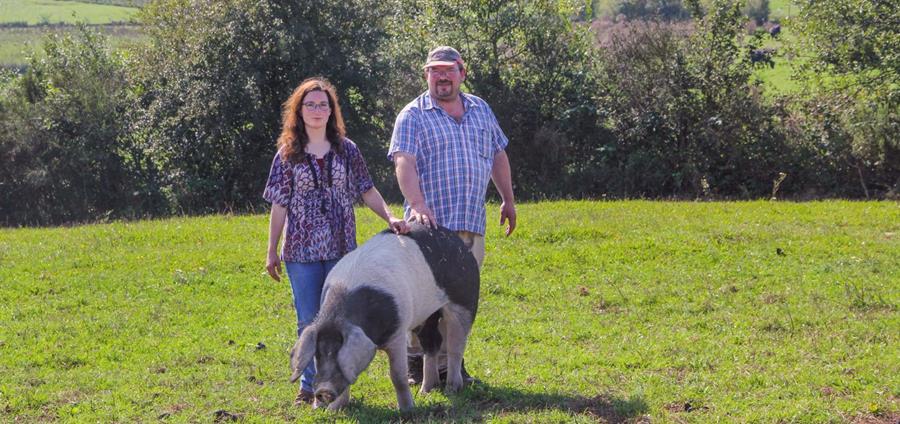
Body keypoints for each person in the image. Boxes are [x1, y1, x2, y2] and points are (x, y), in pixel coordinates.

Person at [264, 77, 409, 406]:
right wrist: (272, 249)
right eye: (310, 104)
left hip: (343, 251)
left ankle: (339, 388)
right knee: (308, 320)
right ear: (299, 111)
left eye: (323, 104)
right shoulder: (287, 153)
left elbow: (367, 190)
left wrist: (390, 218)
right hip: (301, 251)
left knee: (341, 322)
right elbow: (278, 203)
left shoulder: (348, 149)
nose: (317, 110)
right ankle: (310, 386)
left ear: (332, 111)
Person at [388, 46, 517, 385]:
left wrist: (508, 199)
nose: (441, 76)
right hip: (429, 228)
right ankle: (419, 363)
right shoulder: (413, 115)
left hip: (471, 226)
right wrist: (417, 204)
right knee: (424, 302)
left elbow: (497, 154)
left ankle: (451, 365)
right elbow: (404, 162)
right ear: (426, 75)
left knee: (459, 303)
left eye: (448, 70)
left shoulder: (480, 109)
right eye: (434, 70)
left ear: (462, 72)